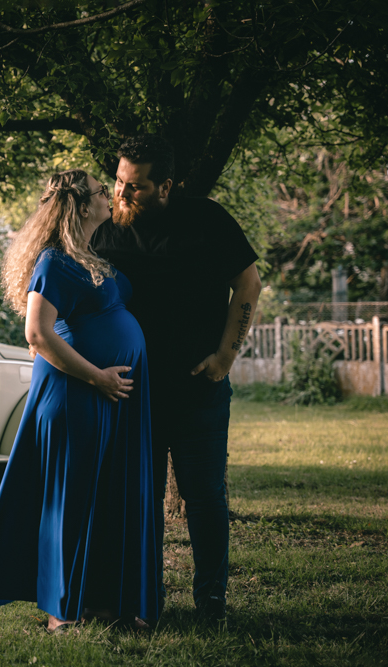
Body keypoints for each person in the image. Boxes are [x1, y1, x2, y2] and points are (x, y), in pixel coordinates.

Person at [0, 169, 162, 632]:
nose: (108, 196)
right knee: (70, 502)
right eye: (99, 191)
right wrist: (97, 378)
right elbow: (36, 334)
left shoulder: (95, 257)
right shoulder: (53, 262)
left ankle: (100, 601)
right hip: (77, 394)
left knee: (107, 500)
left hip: (110, 396)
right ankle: (61, 611)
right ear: (79, 205)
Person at [90, 134, 262, 623]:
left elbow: (247, 281)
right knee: (139, 501)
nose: (122, 195)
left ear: (165, 186)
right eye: (119, 183)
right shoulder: (104, 231)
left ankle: (211, 600)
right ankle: (146, 599)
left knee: (204, 496)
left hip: (198, 389)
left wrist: (226, 357)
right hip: (132, 394)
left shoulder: (206, 219)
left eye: (136, 187)